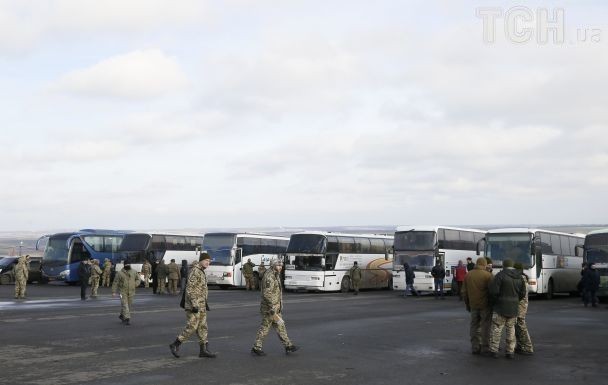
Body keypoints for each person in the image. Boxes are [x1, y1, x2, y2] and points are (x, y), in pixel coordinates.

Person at [169, 253, 217, 358]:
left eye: (209, 261)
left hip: (201, 305)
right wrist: (195, 305)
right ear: (200, 260)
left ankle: (203, 350)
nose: (207, 263)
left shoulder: (201, 271)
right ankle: (175, 344)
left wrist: (204, 303)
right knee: (192, 326)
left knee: (202, 327)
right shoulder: (195, 271)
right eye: (206, 260)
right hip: (193, 306)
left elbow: (201, 289)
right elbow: (190, 289)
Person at [251, 258, 298, 356]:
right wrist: (272, 307)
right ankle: (256, 347)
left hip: (275, 307)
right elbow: (267, 294)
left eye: (281, 265)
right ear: (273, 265)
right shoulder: (269, 276)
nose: (280, 267)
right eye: (278, 265)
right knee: (265, 327)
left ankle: (288, 346)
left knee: (280, 326)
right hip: (270, 309)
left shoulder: (275, 274)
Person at [487, 259, 527, 359]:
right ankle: (510, 351)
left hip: (500, 307)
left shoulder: (500, 275)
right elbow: (522, 293)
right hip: (513, 307)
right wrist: (515, 300)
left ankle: (494, 350)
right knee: (511, 329)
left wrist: (495, 302)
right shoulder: (520, 277)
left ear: (504, 266)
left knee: (497, 328)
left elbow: (493, 291)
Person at [462, 257, 493, 355]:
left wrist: (468, 305)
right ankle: (485, 347)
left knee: (474, 326)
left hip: (473, 305)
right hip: (485, 306)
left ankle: (475, 347)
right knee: (486, 326)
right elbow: (492, 291)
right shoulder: (488, 275)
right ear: (484, 264)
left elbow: (464, 292)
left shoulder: (468, 275)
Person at [513, 262, 533, 355]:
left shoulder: (522, 278)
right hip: (521, 304)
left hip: (521, 305)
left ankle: (528, 347)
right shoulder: (522, 277)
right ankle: (521, 346)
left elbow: (521, 294)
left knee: (521, 325)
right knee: (517, 325)